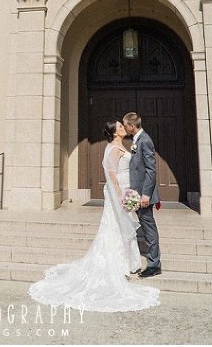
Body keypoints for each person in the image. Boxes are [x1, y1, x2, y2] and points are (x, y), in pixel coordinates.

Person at [28, 121, 159, 312]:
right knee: (116, 227)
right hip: (119, 192)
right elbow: (112, 176)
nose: (123, 128)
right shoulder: (113, 149)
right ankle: (121, 264)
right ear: (115, 134)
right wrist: (122, 196)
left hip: (125, 189)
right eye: (120, 127)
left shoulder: (119, 146)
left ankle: (128, 263)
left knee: (120, 228)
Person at [123, 111, 162, 278]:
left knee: (149, 227)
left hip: (145, 195)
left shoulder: (145, 140)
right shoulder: (137, 140)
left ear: (132, 126)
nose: (124, 128)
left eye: (125, 126)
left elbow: (151, 170)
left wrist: (146, 194)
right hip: (138, 193)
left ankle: (154, 264)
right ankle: (153, 261)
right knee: (146, 227)